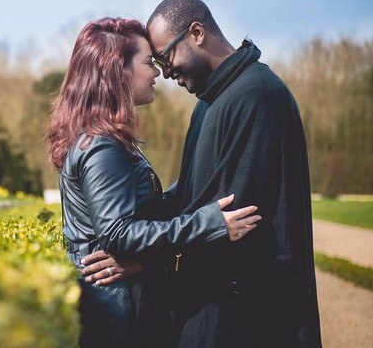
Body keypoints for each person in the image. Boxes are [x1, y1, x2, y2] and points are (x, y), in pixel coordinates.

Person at [46, 17, 261, 348]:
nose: (159, 73)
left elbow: (131, 217)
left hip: (117, 302)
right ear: (119, 70)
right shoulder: (103, 145)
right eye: (148, 63)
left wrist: (194, 182)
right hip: (118, 312)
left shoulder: (99, 136)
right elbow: (118, 234)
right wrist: (208, 224)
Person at [142, 0, 321, 347]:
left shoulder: (257, 95)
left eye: (166, 57)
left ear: (196, 32)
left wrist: (144, 261)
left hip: (248, 316)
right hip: (215, 305)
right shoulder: (210, 101)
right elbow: (194, 192)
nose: (165, 73)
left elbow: (234, 214)